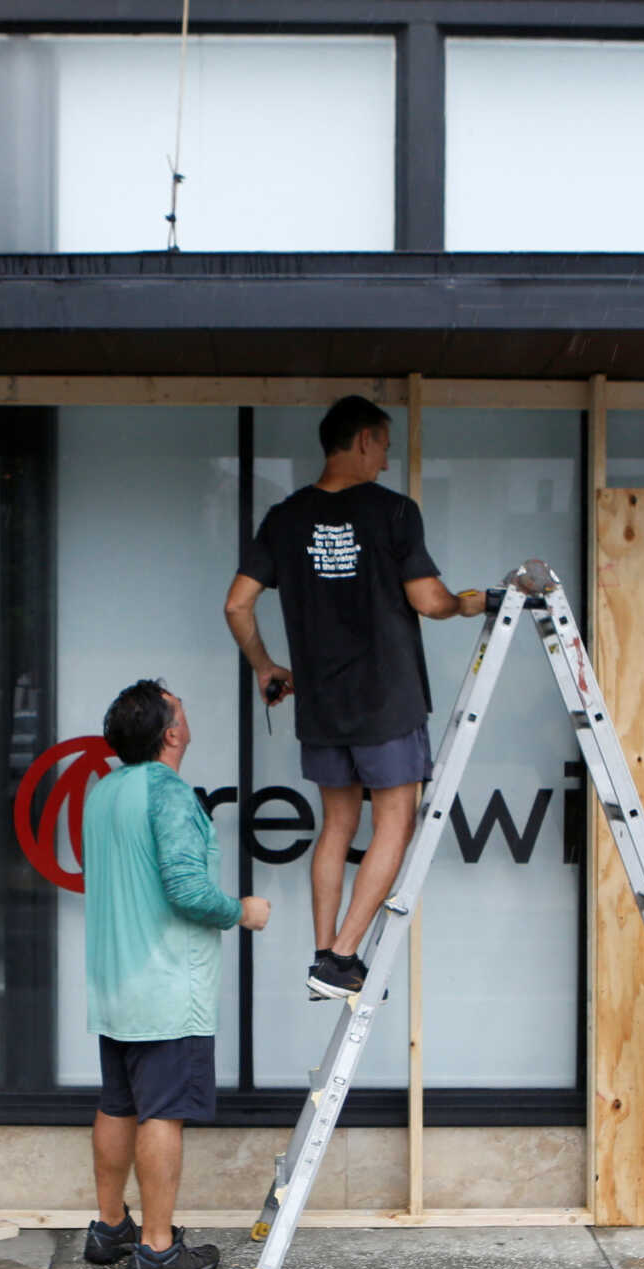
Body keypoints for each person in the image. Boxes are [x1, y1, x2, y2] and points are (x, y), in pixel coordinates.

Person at [223, 395, 486, 1000]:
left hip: (323, 704)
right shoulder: (392, 512)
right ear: (365, 439)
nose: (386, 461)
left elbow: (237, 604)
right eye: (386, 447)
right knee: (395, 818)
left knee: (337, 823)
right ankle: (343, 958)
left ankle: (324, 958)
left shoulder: (285, 517)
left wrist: (266, 667)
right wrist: (466, 602)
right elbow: (429, 601)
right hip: (386, 699)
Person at [79, 678, 272, 1269]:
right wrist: (243, 910)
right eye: (182, 712)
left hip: (113, 981)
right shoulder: (168, 793)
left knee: (118, 1105)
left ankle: (111, 1228)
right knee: (161, 1111)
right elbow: (188, 891)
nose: (187, 720)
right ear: (171, 733)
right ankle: (158, 1247)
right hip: (165, 984)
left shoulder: (103, 792)